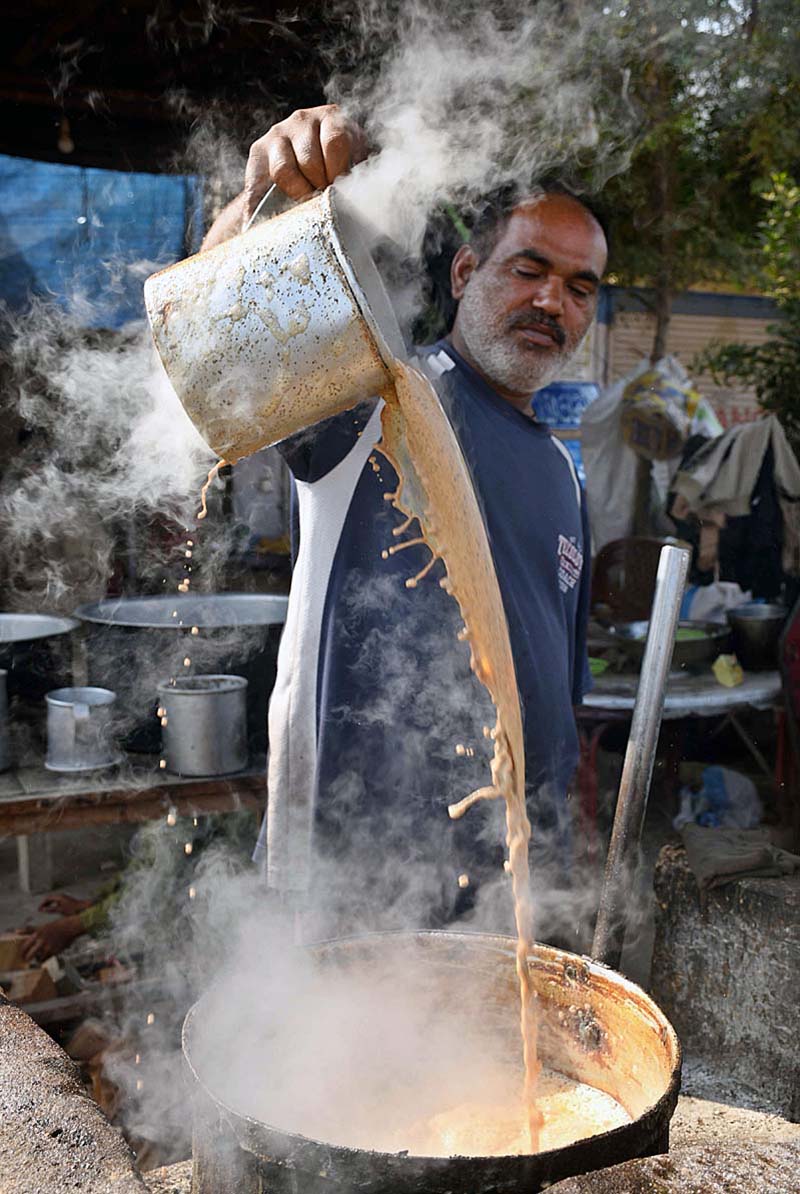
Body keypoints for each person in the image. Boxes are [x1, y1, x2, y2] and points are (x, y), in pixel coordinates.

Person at [202, 105, 608, 932]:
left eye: (579, 287)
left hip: (504, 894)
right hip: (349, 882)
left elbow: (559, 694)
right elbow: (219, 342)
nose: (550, 301)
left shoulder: (562, 473)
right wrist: (260, 201)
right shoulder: (379, 399)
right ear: (464, 273)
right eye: (528, 269)